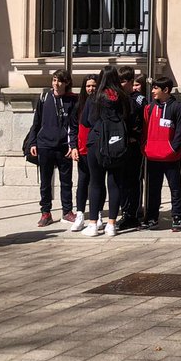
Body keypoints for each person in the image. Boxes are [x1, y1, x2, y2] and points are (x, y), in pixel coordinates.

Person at [79, 66, 143, 237]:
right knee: (115, 183)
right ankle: (112, 224)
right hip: (118, 144)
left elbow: (86, 120)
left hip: (96, 142)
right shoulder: (124, 98)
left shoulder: (95, 98)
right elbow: (132, 120)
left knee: (96, 182)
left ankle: (93, 223)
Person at [27, 70, 78, 227]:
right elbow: (36, 122)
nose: (56, 84)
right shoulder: (44, 97)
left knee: (66, 181)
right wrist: (32, 142)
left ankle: (67, 211)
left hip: (64, 146)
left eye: (60, 81)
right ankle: (45, 212)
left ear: (67, 83)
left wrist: (72, 144)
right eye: (54, 80)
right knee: (45, 181)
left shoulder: (73, 100)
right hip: (45, 144)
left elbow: (74, 125)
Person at [143, 76, 181, 230]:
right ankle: (152, 217)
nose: (153, 91)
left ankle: (177, 217)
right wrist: (146, 148)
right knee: (153, 188)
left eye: (156, 88)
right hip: (153, 156)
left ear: (166, 90)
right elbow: (145, 129)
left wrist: (173, 149)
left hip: (171, 157)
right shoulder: (150, 107)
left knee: (175, 187)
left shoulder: (178, 107)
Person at [115, 66, 146, 231]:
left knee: (133, 181)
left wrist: (134, 136)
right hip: (121, 146)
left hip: (133, 147)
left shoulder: (138, 100)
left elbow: (140, 123)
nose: (120, 84)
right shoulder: (118, 98)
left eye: (123, 81)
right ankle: (125, 211)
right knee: (122, 181)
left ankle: (132, 213)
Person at [69, 74, 99, 232]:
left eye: (94, 85)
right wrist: (73, 146)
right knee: (82, 182)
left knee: (98, 182)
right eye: (88, 86)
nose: (91, 88)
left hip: (97, 149)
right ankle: (80, 214)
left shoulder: (101, 102)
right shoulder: (79, 104)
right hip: (82, 149)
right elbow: (73, 128)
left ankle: (98, 214)